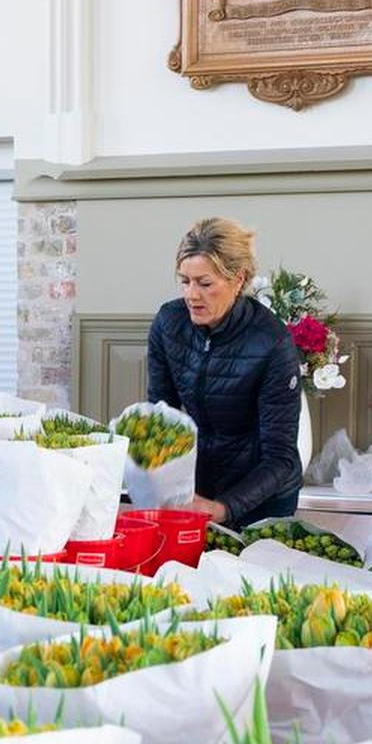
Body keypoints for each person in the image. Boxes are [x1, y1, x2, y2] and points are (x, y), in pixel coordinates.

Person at [146, 217, 302, 529]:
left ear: (239, 280)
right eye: (185, 281)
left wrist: (222, 508)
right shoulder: (168, 323)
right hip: (197, 488)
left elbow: (281, 459)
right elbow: (160, 416)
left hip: (262, 498)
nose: (191, 295)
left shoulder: (272, 342)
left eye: (205, 284)